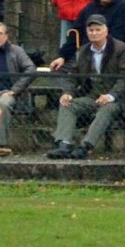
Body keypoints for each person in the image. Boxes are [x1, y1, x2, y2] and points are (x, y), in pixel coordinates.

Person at [46, 15, 125, 160]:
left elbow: (123, 78)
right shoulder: (83, 51)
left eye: (98, 29)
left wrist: (110, 96)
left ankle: (85, 146)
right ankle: (63, 144)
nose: (94, 33)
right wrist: (68, 93)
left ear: (106, 31)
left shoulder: (120, 49)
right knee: (67, 105)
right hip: (92, 96)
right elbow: (73, 76)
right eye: (91, 30)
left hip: (117, 99)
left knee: (107, 109)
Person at [50, 0, 125, 71]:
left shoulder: (122, 8)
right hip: (88, 54)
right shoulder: (89, 8)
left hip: (115, 56)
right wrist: (62, 56)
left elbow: (118, 36)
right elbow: (75, 33)